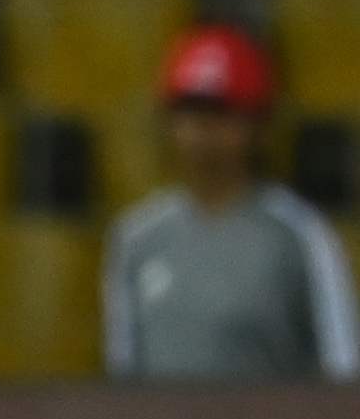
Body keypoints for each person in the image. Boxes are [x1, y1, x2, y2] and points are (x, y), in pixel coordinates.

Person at [104, 25, 359, 382]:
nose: (200, 130)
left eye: (219, 113)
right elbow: (124, 371)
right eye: (188, 111)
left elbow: (341, 366)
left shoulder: (297, 235)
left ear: (256, 123)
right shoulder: (139, 238)